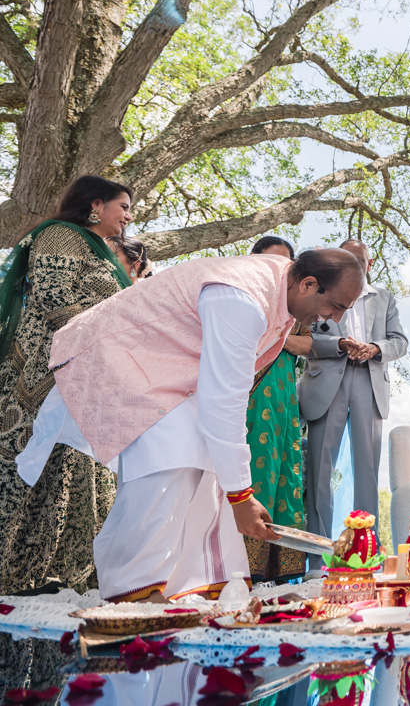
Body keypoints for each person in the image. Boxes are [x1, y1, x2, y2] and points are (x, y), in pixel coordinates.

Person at [16, 248, 364, 601]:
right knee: (171, 458)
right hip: (122, 358)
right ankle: (134, 590)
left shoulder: (278, 282)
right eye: (336, 305)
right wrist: (241, 495)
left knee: (208, 463)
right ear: (308, 284)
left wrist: (237, 492)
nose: (333, 318)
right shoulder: (243, 298)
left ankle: (193, 588)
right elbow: (223, 401)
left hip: (166, 373)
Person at [0, 175, 134, 594]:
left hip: (79, 371)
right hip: (40, 367)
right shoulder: (61, 235)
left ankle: (42, 568)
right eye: (123, 207)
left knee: (66, 463)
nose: (128, 217)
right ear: (97, 204)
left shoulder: (99, 248)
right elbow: (53, 295)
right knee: (21, 455)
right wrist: (105, 341)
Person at [299, 239, 407, 549]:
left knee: (367, 472)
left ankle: (367, 550)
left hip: (369, 384)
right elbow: (305, 338)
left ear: (369, 264)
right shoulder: (320, 293)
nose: (354, 266)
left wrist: (375, 348)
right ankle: (317, 557)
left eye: (359, 260)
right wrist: (338, 345)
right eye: (347, 260)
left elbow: (400, 342)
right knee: (319, 472)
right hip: (325, 384)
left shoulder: (384, 298)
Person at [244, 236, 312, 581]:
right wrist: (281, 338)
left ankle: (280, 570)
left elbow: (306, 343)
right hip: (251, 393)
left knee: (287, 471)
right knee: (256, 470)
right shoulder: (244, 295)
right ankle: (244, 566)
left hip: (284, 395)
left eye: (286, 263)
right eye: (271, 261)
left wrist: (278, 336)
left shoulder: (292, 305)